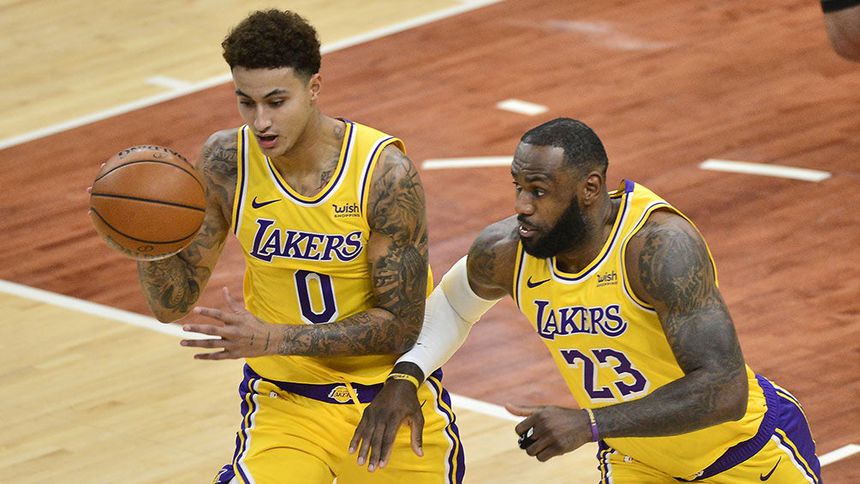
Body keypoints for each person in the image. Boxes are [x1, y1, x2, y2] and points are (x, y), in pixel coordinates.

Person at [351, 118, 822, 483]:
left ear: (590, 189)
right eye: (518, 187)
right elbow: (454, 306)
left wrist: (589, 423)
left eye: (539, 191)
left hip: (743, 457)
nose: (521, 205)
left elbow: (724, 390)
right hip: (638, 461)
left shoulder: (658, 248)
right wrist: (406, 376)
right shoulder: (507, 250)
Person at [134, 10, 464, 484]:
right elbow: (173, 303)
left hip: (388, 403)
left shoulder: (384, 175)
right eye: (245, 102)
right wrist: (147, 241)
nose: (261, 121)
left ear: (314, 88)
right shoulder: (227, 162)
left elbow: (401, 328)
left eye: (276, 101)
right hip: (286, 402)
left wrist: (276, 338)